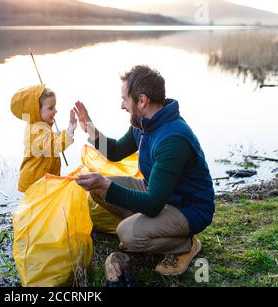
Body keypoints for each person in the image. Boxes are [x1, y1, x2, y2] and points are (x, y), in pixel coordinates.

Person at [74, 65, 215, 277]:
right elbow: (115, 152)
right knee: (98, 190)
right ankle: (150, 230)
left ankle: (184, 245)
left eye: (124, 99)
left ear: (142, 100)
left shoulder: (172, 139)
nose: (122, 105)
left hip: (188, 207)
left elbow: (152, 203)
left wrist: (106, 183)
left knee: (127, 233)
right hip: (159, 193)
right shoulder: (144, 124)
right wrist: (90, 127)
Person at [11, 84, 77, 192]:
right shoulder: (36, 130)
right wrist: (70, 131)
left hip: (42, 180)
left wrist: (56, 135)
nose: (55, 111)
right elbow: (53, 148)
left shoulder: (39, 125)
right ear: (36, 110)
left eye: (54, 107)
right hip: (36, 181)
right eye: (50, 108)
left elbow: (46, 142)